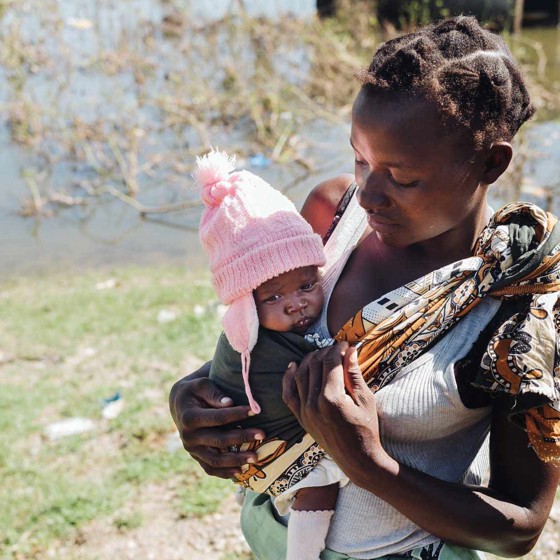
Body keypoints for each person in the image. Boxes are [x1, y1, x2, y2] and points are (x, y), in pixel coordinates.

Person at [170, 16, 560, 560]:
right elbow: (266, 331)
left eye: (401, 178)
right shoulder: (331, 215)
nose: (369, 193)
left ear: (491, 161)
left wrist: (368, 465)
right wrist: (195, 397)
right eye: (360, 158)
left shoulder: (519, 313)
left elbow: (518, 528)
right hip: (276, 535)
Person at [194, 149, 350, 559]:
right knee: (320, 483)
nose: (296, 305)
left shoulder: (275, 327)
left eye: (306, 285)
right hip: (264, 442)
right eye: (274, 297)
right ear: (246, 306)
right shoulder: (252, 343)